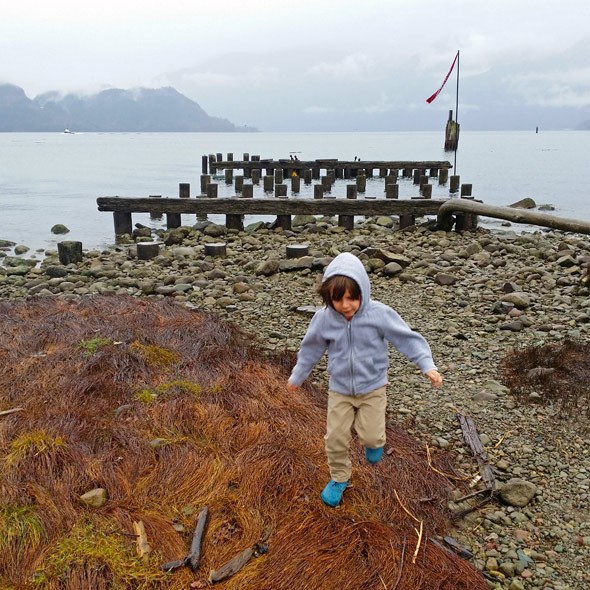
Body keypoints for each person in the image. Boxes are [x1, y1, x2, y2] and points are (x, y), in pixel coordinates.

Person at [287, 253, 442, 507]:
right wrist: (297, 377)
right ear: (328, 298)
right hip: (340, 390)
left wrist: (427, 365)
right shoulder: (324, 319)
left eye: (352, 298)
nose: (346, 305)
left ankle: (374, 443)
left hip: (373, 388)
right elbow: (310, 349)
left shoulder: (379, 314)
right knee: (335, 438)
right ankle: (339, 478)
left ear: (363, 292)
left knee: (370, 437)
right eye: (338, 300)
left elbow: (406, 338)